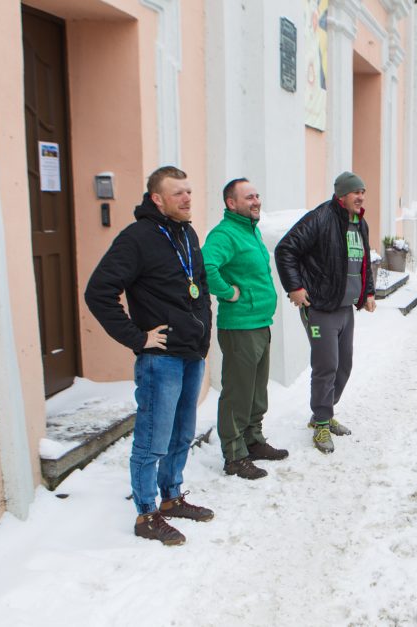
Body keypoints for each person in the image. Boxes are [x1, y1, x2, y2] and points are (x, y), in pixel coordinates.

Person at [85, 166, 214, 546]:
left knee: (181, 434)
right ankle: (146, 514)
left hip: (191, 354)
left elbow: (200, 287)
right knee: (152, 440)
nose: (188, 199)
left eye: (189, 191)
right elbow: (99, 293)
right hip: (161, 360)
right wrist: (137, 339)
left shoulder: (187, 232)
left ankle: (171, 497)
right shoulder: (137, 238)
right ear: (157, 199)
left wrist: (203, 334)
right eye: (178, 194)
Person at [274, 171, 376, 454]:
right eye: (356, 192)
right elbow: (285, 249)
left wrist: (367, 292)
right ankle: (320, 423)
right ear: (341, 195)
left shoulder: (359, 223)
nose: (361, 197)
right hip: (320, 307)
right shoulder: (320, 218)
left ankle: (325, 413)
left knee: (344, 366)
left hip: (345, 308)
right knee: (326, 366)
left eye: (363, 191)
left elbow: (364, 259)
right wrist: (295, 287)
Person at [202, 178, 286, 481]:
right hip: (240, 326)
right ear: (231, 203)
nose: (256, 201)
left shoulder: (250, 231)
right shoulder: (225, 235)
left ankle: (253, 441)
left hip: (260, 323)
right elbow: (205, 266)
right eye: (248, 197)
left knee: (256, 392)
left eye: (257, 195)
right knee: (238, 393)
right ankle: (235, 456)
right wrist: (228, 292)